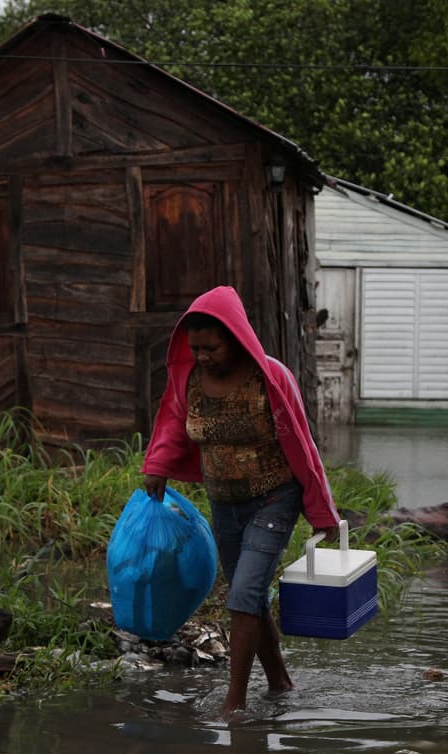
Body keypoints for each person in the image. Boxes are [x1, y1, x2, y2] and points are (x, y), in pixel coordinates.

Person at [142, 285, 340, 719]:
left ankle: (234, 704)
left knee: (243, 595)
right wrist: (157, 466)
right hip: (224, 504)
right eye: (195, 348)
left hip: (275, 499)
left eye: (211, 348)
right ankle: (280, 683)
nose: (203, 357)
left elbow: (302, 445)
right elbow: (173, 422)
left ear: (234, 337)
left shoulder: (270, 378)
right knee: (248, 598)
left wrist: (321, 511)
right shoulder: (191, 381)